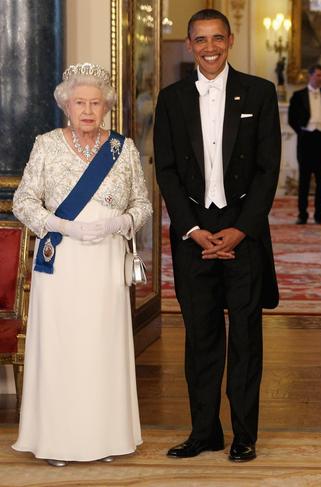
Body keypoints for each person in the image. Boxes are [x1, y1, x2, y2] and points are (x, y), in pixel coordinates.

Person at [153, 9, 281, 462]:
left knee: (246, 338)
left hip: (243, 233)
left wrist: (240, 229)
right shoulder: (170, 99)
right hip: (193, 234)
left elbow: (269, 170)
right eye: (201, 40)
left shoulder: (260, 93)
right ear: (190, 44)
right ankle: (204, 431)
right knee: (201, 337)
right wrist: (192, 229)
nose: (210, 48)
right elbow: (165, 170)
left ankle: (244, 435)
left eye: (217, 39)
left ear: (230, 39)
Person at [12, 63, 152, 466]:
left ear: (106, 106)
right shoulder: (46, 144)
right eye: (79, 103)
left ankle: (106, 438)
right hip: (62, 261)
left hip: (105, 261)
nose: (87, 110)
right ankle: (58, 441)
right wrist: (56, 224)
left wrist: (122, 221)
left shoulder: (121, 149)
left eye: (95, 102)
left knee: (100, 347)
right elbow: (24, 201)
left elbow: (142, 203)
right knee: (63, 348)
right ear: (66, 105)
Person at [288, 64, 321, 224]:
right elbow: (291, 118)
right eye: (318, 75)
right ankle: (302, 214)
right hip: (305, 139)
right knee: (304, 179)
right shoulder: (298, 95)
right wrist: (302, 131)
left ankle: (319, 214)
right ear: (310, 76)